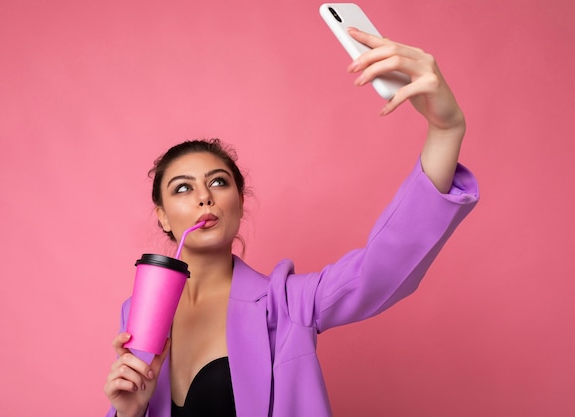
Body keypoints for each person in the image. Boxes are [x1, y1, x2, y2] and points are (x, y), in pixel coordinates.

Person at [103, 28, 479, 417]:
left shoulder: (288, 304)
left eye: (218, 182)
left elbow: (381, 268)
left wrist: (446, 131)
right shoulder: (138, 314)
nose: (204, 196)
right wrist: (130, 413)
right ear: (162, 215)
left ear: (239, 201)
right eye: (182, 188)